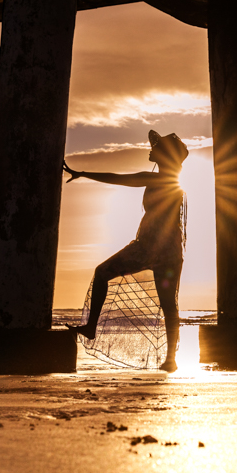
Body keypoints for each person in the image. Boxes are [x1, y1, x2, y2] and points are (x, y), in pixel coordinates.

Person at [63, 130, 188, 372]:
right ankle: (170, 359)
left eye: (156, 147)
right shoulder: (168, 179)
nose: (151, 149)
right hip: (167, 250)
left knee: (103, 273)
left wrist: (83, 173)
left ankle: (92, 328)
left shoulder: (163, 180)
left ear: (165, 156)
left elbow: (119, 178)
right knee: (168, 305)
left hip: (153, 247)